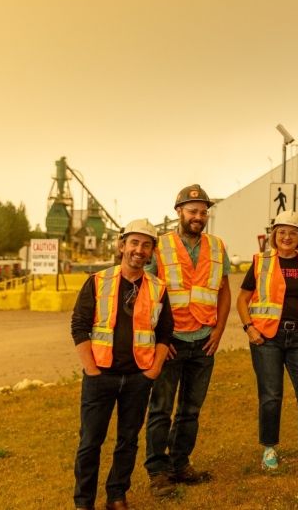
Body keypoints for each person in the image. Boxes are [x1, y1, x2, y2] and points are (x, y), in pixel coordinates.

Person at [71, 219, 174, 510]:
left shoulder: (158, 289)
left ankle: (117, 495)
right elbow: (79, 326)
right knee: (90, 442)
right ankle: (84, 502)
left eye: (145, 244)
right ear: (122, 246)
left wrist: (152, 371)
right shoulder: (97, 281)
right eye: (134, 243)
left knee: (128, 441)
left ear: (152, 251)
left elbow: (165, 332)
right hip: (100, 376)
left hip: (137, 378)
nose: (139, 250)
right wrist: (91, 369)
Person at [143, 184, 231, 496]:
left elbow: (223, 290)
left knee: (190, 410)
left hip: (204, 341)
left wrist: (219, 331)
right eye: (192, 211)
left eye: (203, 212)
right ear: (179, 212)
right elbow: (147, 293)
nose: (198, 216)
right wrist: (158, 341)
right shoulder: (160, 247)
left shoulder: (217, 246)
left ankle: (180, 463)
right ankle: (157, 471)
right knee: (161, 408)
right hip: (171, 342)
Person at [236, 211, 298, 470]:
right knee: (270, 395)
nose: (286, 237)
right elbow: (242, 299)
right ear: (274, 235)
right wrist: (249, 328)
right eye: (281, 232)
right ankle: (269, 448)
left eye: (292, 232)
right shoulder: (260, 262)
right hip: (267, 338)